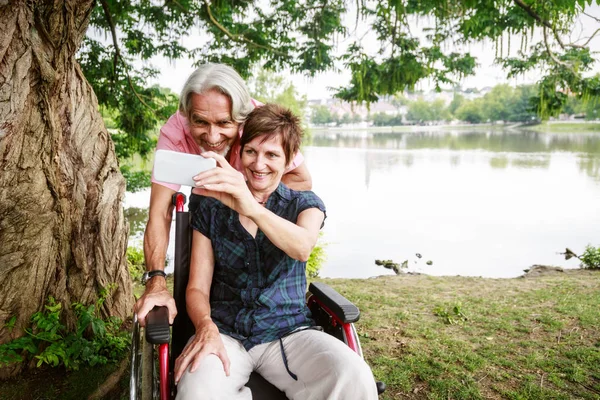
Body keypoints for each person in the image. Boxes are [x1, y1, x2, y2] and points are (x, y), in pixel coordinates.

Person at [173, 104, 378, 400]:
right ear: (240, 152)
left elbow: (302, 247)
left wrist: (250, 206)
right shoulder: (210, 205)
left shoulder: (304, 204)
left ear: (290, 159)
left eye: (272, 155)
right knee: (196, 390)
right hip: (225, 332)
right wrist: (205, 326)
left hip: (290, 332)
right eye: (251, 151)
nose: (259, 164)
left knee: (353, 375)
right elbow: (196, 287)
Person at [135, 64, 312, 326]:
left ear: (241, 117)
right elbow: (160, 211)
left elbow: (301, 179)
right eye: (200, 122)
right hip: (206, 205)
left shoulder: (259, 122)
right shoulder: (174, 132)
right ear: (187, 115)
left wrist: (251, 200)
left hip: (255, 209)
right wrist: (156, 281)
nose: (212, 136)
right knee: (198, 283)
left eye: (224, 123)